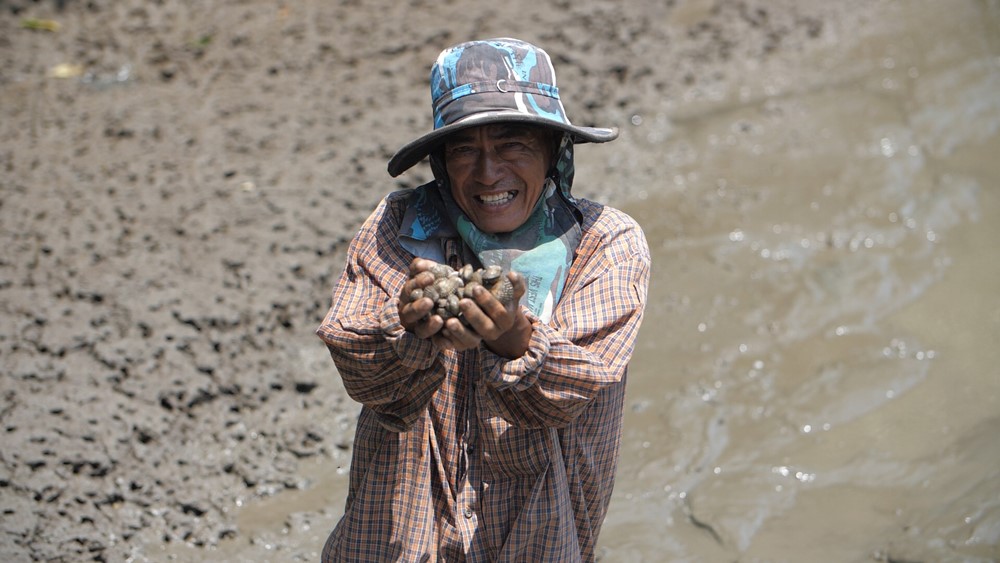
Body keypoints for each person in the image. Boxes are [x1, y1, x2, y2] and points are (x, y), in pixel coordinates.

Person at [316, 37, 650, 562]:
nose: (489, 172)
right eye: (465, 149)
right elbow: (360, 370)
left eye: (513, 144)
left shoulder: (606, 243)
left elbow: (577, 389)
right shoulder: (401, 229)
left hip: (539, 534)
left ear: (552, 150)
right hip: (398, 536)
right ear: (441, 163)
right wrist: (406, 329)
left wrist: (515, 339)